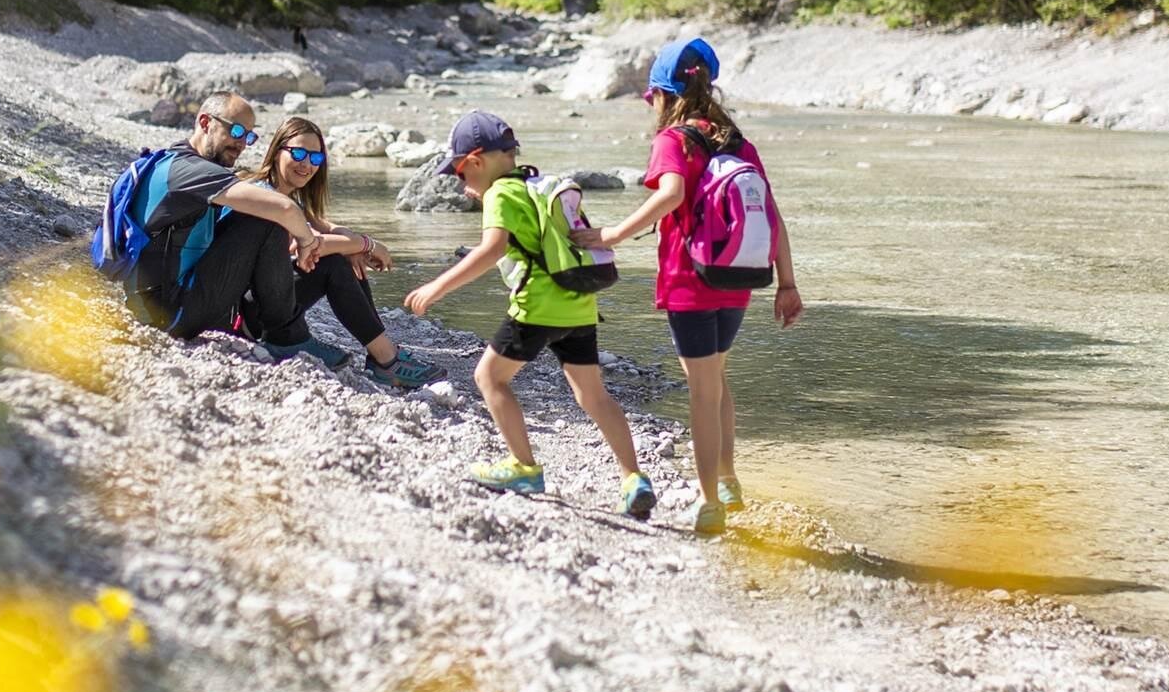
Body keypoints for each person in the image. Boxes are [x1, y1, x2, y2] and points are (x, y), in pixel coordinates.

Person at [403, 109, 656, 519]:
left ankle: (523, 467)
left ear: (477, 160)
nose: (461, 183)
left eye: (461, 174)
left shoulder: (501, 193)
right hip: (578, 305)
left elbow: (493, 250)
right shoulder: (532, 183)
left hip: (536, 308)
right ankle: (633, 477)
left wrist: (437, 286)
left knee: (489, 377)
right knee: (592, 395)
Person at [597, 37, 803, 538]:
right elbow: (771, 215)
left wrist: (612, 235)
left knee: (701, 393)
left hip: (690, 282)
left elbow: (672, 194)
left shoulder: (674, 140)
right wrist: (788, 284)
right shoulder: (737, 141)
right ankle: (728, 479)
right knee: (717, 379)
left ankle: (709, 502)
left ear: (663, 95)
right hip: (740, 279)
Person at [239, 114, 444, 387]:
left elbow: (328, 228)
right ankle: (387, 360)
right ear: (277, 150)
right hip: (248, 313)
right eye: (299, 153)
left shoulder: (290, 197)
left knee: (346, 257)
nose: (306, 164)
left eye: (315, 158)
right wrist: (367, 245)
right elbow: (308, 243)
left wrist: (354, 244)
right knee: (334, 263)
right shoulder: (264, 194)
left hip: (267, 302)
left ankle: (383, 356)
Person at [126, 89, 319, 351]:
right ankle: (287, 338)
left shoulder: (178, 162)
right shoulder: (190, 171)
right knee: (266, 218)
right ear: (206, 123)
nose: (242, 143)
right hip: (165, 313)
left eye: (249, 136)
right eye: (237, 131)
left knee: (259, 214)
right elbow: (285, 208)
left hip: (162, 302)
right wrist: (306, 240)